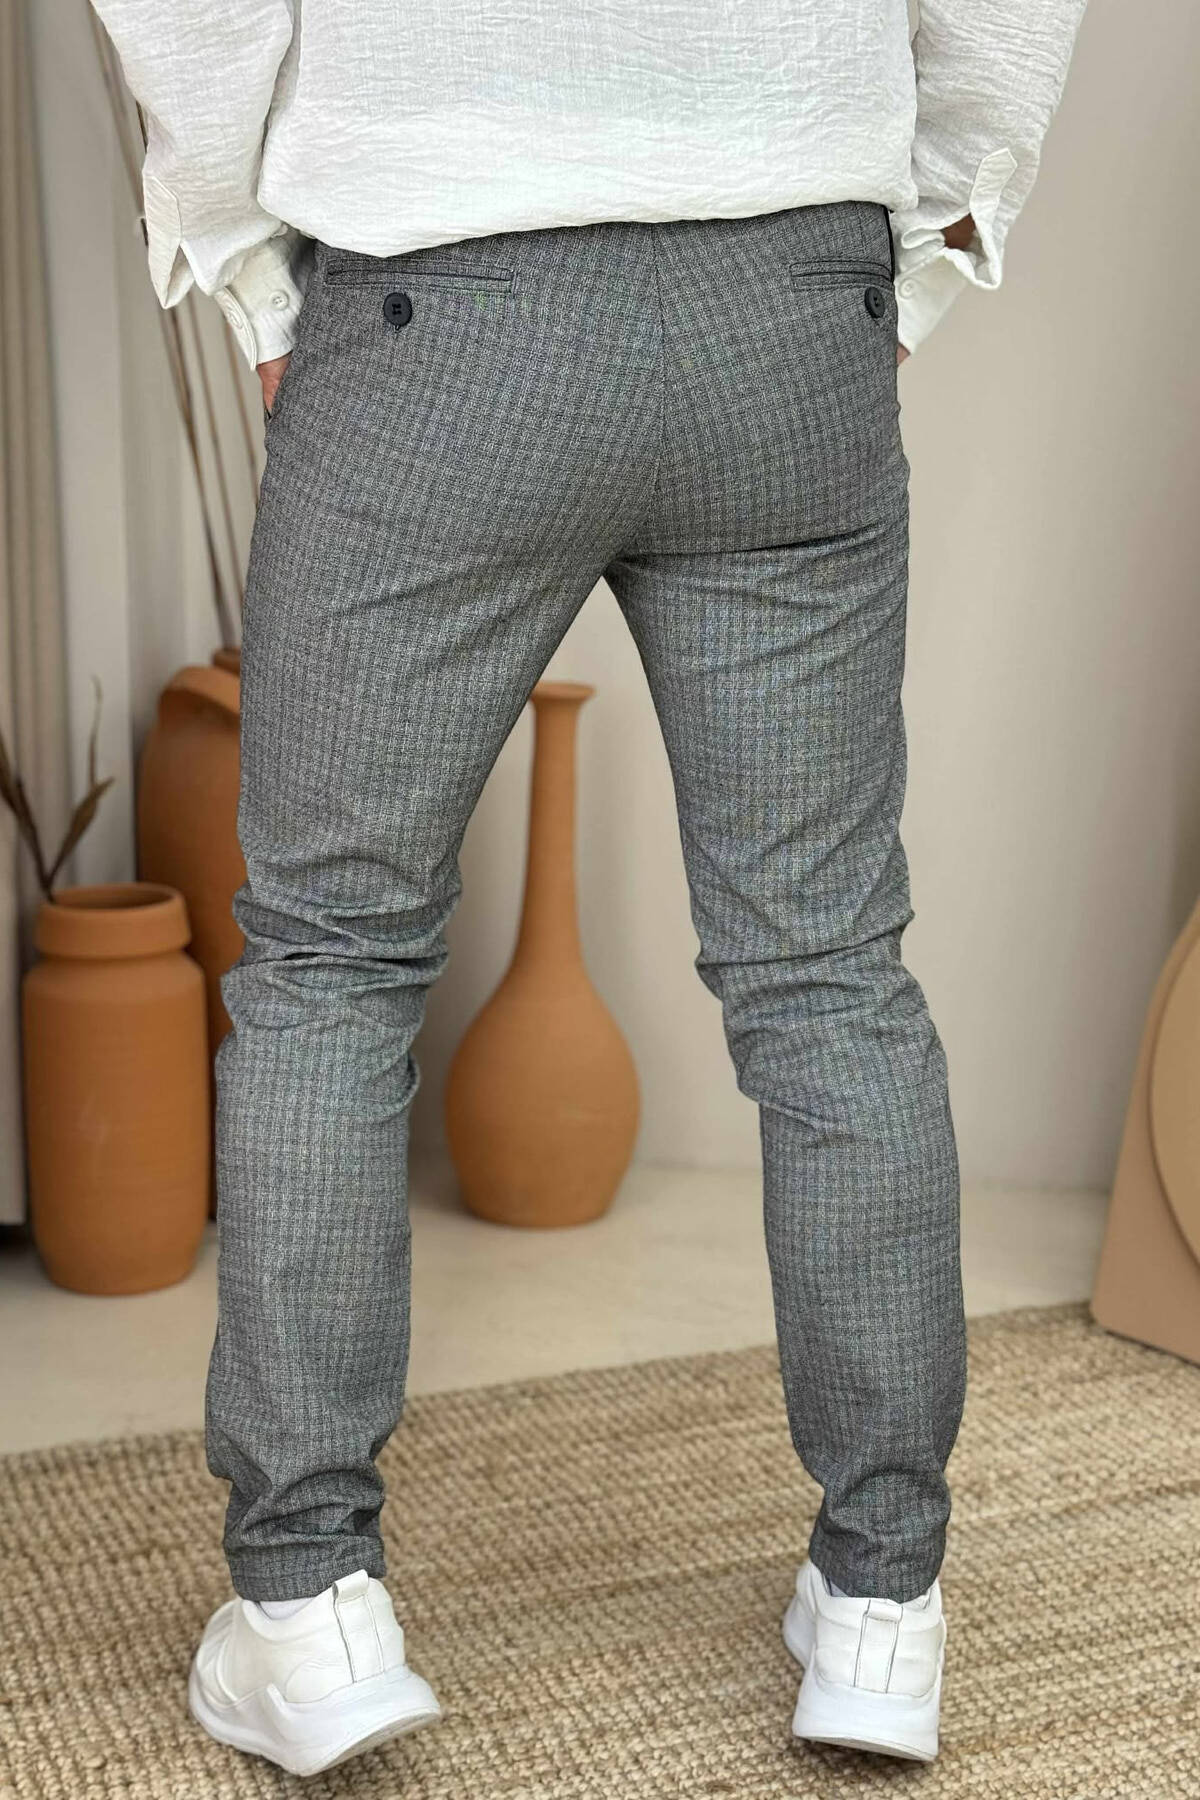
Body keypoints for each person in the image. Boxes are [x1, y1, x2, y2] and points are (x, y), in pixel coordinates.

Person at [93, 0, 1087, 1777]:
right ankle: (884, 1605)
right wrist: (928, 226)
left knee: (330, 966)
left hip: (439, 302)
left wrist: (245, 261)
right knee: (828, 968)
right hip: (787, 297)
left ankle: (307, 1610)